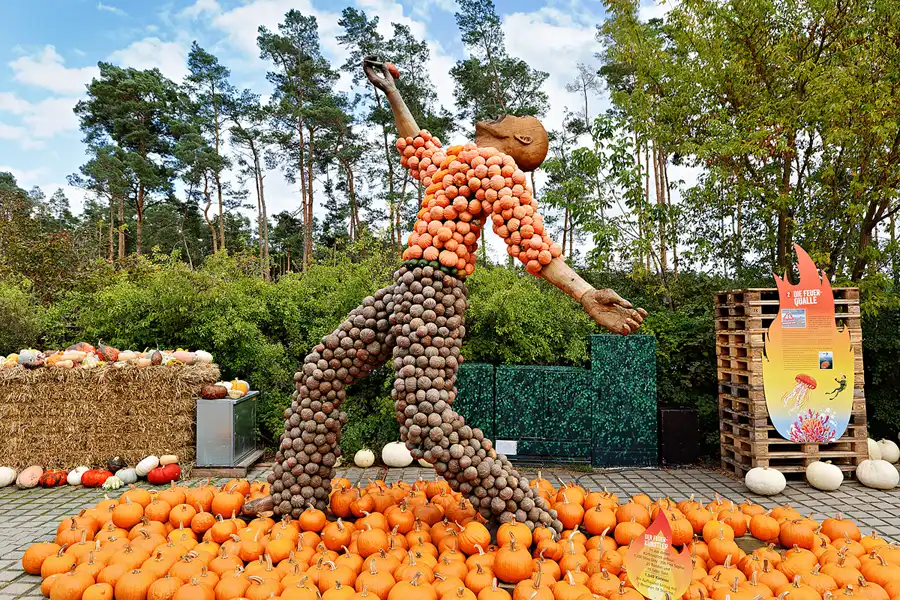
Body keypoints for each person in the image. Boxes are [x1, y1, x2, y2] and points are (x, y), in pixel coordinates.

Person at [243, 59, 647, 530]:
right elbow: (419, 149)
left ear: (519, 141)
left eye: (512, 120)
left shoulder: (496, 165)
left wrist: (584, 295)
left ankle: (527, 518)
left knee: (425, 418)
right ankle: (296, 499)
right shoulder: (459, 161)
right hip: (406, 287)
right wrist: (393, 92)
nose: (499, 117)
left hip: (433, 292)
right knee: (322, 371)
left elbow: (530, 244)